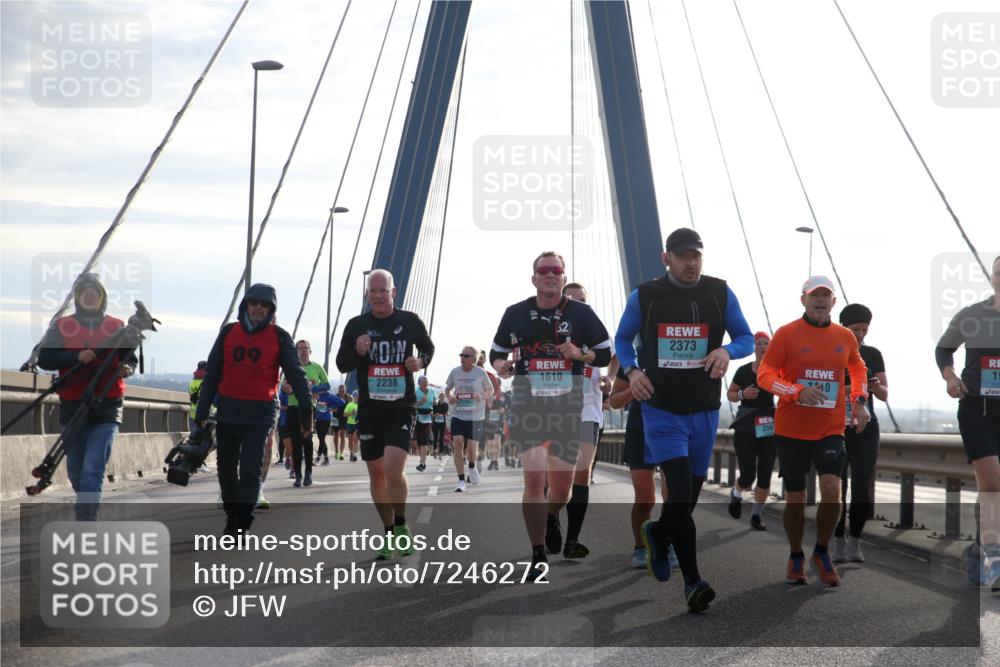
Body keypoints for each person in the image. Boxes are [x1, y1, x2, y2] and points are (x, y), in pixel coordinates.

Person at [615, 227, 753, 612]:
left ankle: (659, 533)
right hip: (661, 407)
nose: (691, 263)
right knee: (677, 490)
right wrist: (633, 370)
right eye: (683, 256)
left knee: (686, 499)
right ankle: (693, 581)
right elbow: (622, 339)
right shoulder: (645, 295)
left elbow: (744, 337)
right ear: (667, 259)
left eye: (696, 256)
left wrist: (727, 351)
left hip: (704, 408)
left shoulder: (719, 292)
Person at [491, 251, 612, 580]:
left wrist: (581, 353)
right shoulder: (515, 313)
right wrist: (501, 365)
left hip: (566, 408)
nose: (549, 275)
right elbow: (497, 351)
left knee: (561, 490)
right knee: (533, 478)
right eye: (543, 270)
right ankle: (538, 553)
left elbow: (605, 352)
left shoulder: (582, 314)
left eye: (556, 271)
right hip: (528, 405)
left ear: (563, 277)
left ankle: (550, 515)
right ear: (534, 278)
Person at [756, 275, 869, 588]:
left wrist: (860, 401)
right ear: (803, 300)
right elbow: (765, 375)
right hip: (791, 428)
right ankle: (795, 554)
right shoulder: (787, 333)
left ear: (833, 302)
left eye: (825, 295)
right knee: (796, 497)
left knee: (832, 489)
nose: (820, 300)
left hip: (830, 427)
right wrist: (796, 391)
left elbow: (858, 368)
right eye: (814, 295)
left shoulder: (844, 336)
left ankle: (821, 551)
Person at [195, 283, 312, 534]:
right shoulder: (229, 332)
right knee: (226, 468)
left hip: (260, 413)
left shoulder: (280, 337)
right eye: (253, 303)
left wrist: (306, 410)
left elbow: (296, 374)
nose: (258, 308)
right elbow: (212, 372)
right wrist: (201, 412)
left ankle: (243, 521)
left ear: (271, 309)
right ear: (246, 305)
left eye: (264, 305)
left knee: (250, 468)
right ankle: (231, 515)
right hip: (228, 410)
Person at [336, 269, 434, 560]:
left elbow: (428, 348)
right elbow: (342, 364)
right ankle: (389, 531)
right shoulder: (356, 325)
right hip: (370, 409)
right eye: (373, 291)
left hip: (400, 407)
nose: (378, 296)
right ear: (367, 294)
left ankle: (401, 524)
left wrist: (420, 361)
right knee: (376, 473)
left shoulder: (409, 320)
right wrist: (357, 351)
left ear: (394, 292)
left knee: (393, 469)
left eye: (383, 290)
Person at [37, 272, 137, 521]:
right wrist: (76, 356)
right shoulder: (62, 325)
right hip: (73, 405)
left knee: (93, 467)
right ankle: (87, 509)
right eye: (85, 292)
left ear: (102, 297)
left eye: (95, 292)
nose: (90, 296)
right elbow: (45, 358)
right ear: (78, 297)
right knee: (76, 470)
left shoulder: (116, 326)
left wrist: (127, 368)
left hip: (107, 404)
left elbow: (130, 358)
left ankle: (86, 520)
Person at [936, 255, 1000, 589]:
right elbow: (943, 349)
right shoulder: (972, 315)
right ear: (992, 278)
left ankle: (978, 548)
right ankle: (995, 561)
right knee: (991, 483)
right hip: (977, 409)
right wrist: (950, 377)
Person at [832, 304, 888, 563]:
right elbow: (826, 391)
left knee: (861, 486)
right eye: (856, 329)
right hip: (836, 427)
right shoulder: (831, 352)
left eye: (865, 330)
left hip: (866, 428)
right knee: (836, 488)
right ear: (843, 327)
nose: (861, 335)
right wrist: (856, 387)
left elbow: (885, 394)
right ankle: (838, 540)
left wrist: (873, 387)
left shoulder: (873, 354)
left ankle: (855, 541)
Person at [557, 282, 608, 558]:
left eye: (583, 300)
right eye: (572, 299)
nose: (578, 304)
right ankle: (551, 519)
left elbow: (615, 355)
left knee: (581, 473)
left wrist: (611, 379)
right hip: (555, 413)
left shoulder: (596, 331)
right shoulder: (550, 332)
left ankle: (572, 540)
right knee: (555, 477)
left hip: (588, 412)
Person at [609, 364, 671, 569]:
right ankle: (641, 547)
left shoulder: (681, 353)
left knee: (673, 495)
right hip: (639, 431)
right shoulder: (632, 359)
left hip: (673, 429)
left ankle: (667, 542)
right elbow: (614, 401)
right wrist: (634, 387)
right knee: (645, 497)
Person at [725, 331, 777, 530]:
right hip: (746, 426)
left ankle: (756, 516)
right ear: (754, 348)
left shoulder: (776, 371)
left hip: (768, 426)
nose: (762, 346)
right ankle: (736, 494)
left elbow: (789, 389)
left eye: (766, 343)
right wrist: (742, 394)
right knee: (748, 475)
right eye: (759, 343)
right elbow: (730, 394)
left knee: (764, 474)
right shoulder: (743, 371)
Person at [446, 346, 494, 491]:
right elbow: (447, 389)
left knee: (472, 450)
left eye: (466, 356)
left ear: (473, 359)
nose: (462, 358)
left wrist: (482, 396)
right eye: (461, 355)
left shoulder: (480, 372)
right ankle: (461, 480)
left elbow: (490, 389)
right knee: (458, 443)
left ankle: (472, 466)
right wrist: (450, 398)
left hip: (476, 416)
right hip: (458, 414)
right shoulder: (455, 372)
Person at [285, 340, 329, 487]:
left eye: (306, 348)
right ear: (296, 351)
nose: (303, 351)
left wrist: (315, 389)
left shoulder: (317, 367)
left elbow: (327, 385)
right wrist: (287, 389)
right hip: (293, 406)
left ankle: (308, 472)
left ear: (310, 351)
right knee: (296, 442)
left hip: (308, 408)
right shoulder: (292, 367)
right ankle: (298, 475)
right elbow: (284, 387)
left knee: (307, 441)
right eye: (300, 348)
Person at [314, 384, 345, 466]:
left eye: (321, 390)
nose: (320, 392)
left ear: (325, 390)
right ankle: (326, 459)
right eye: (319, 390)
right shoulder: (318, 396)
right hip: (318, 419)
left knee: (322, 438)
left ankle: (318, 458)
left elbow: (342, 402)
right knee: (321, 439)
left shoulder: (330, 396)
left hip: (326, 420)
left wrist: (331, 407)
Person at [414, 376, 437, 471]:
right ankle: (422, 460)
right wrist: (420, 402)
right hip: (418, 417)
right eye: (423, 382)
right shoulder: (415, 392)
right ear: (419, 383)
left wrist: (435, 402)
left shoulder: (431, 391)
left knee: (423, 441)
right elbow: (413, 405)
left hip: (428, 417)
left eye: (426, 381)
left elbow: (435, 400)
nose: (425, 383)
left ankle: (422, 462)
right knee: (419, 442)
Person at [332, 384, 350, 461]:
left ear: (345, 390)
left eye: (342, 390)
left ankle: (341, 453)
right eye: (340, 390)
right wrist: (333, 409)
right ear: (338, 390)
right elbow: (330, 407)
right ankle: (336, 450)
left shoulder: (349, 398)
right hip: (335, 418)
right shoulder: (334, 397)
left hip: (344, 418)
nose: (341, 392)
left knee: (343, 435)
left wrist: (351, 413)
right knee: (336, 435)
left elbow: (353, 406)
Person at [188, 361, 208, 431]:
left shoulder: (191, 383)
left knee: (194, 435)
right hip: (206, 414)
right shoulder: (208, 382)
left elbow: (191, 396)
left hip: (193, 414)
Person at [432, 394, 449, 459]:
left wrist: (447, 414)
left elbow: (446, 413)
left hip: (442, 423)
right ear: (439, 397)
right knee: (435, 437)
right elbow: (432, 414)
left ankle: (440, 453)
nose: (442, 397)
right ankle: (434, 451)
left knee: (441, 438)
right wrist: (435, 414)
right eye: (441, 396)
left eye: (443, 396)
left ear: (444, 397)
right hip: (436, 422)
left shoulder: (446, 405)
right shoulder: (435, 405)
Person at [344, 391, 359, 462]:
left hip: (357, 424)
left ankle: (354, 455)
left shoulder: (361, 405)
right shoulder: (349, 405)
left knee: (355, 439)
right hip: (350, 424)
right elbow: (344, 414)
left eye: (357, 396)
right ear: (353, 397)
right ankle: (351, 453)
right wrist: (351, 413)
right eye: (355, 396)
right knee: (350, 440)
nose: (356, 397)